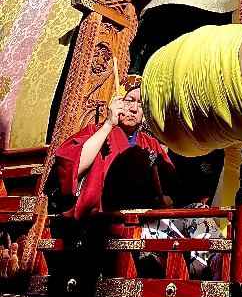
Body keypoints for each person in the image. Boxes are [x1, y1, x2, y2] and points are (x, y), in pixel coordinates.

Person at [54, 77, 184, 219]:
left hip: (142, 220)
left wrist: (168, 201)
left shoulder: (150, 145)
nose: (134, 109)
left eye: (141, 104)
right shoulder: (96, 133)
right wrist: (108, 125)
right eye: (129, 100)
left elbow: (174, 188)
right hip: (102, 222)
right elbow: (73, 169)